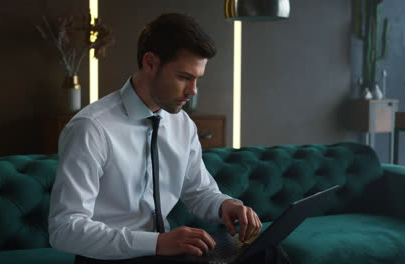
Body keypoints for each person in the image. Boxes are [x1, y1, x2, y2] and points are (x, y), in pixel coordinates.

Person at [49, 13, 285, 264]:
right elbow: (65, 229)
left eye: (197, 80)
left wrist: (226, 206)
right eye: (184, 77)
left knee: (268, 252)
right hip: (108, 257)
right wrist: (157, 243)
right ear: (150, 63)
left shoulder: (182, 124)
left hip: (163, 250)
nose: (193, 91)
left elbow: (198, 191)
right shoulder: (91, 128)